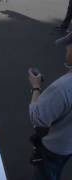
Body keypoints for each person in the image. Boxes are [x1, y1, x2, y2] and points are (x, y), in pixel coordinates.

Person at [28, 33, 72, 180]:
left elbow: (37, 118)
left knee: (46, 174)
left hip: (54, 147)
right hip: (68, 146)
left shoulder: (63, 88)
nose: (67, 48)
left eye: (70, 44)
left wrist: (36, 87)